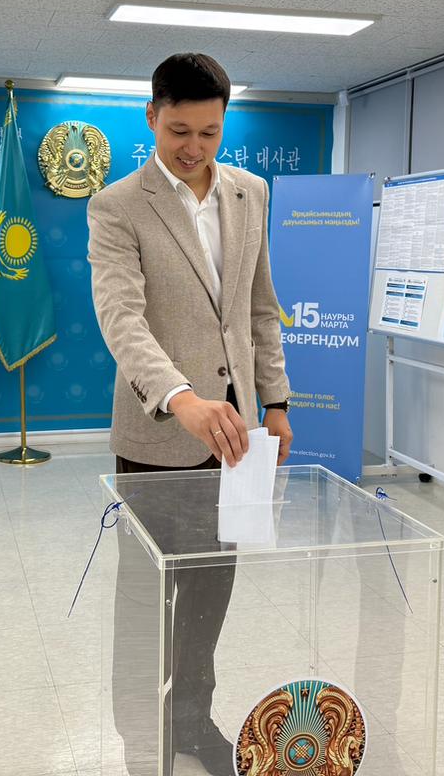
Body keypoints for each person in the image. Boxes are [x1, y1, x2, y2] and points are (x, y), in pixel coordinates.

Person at [87, 52, 293, 775]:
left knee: (211, 591)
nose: (193, 148)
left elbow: (260, 308)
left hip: (236, 436)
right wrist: (181, 397)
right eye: (179, 130)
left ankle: (193, 720)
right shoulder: (117, 205)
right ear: (151, 116)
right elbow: (122, 320)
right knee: (150, 598)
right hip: (157, 437)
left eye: (209, 132)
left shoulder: (249, 193)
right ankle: (143, 734)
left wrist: (275, 401)